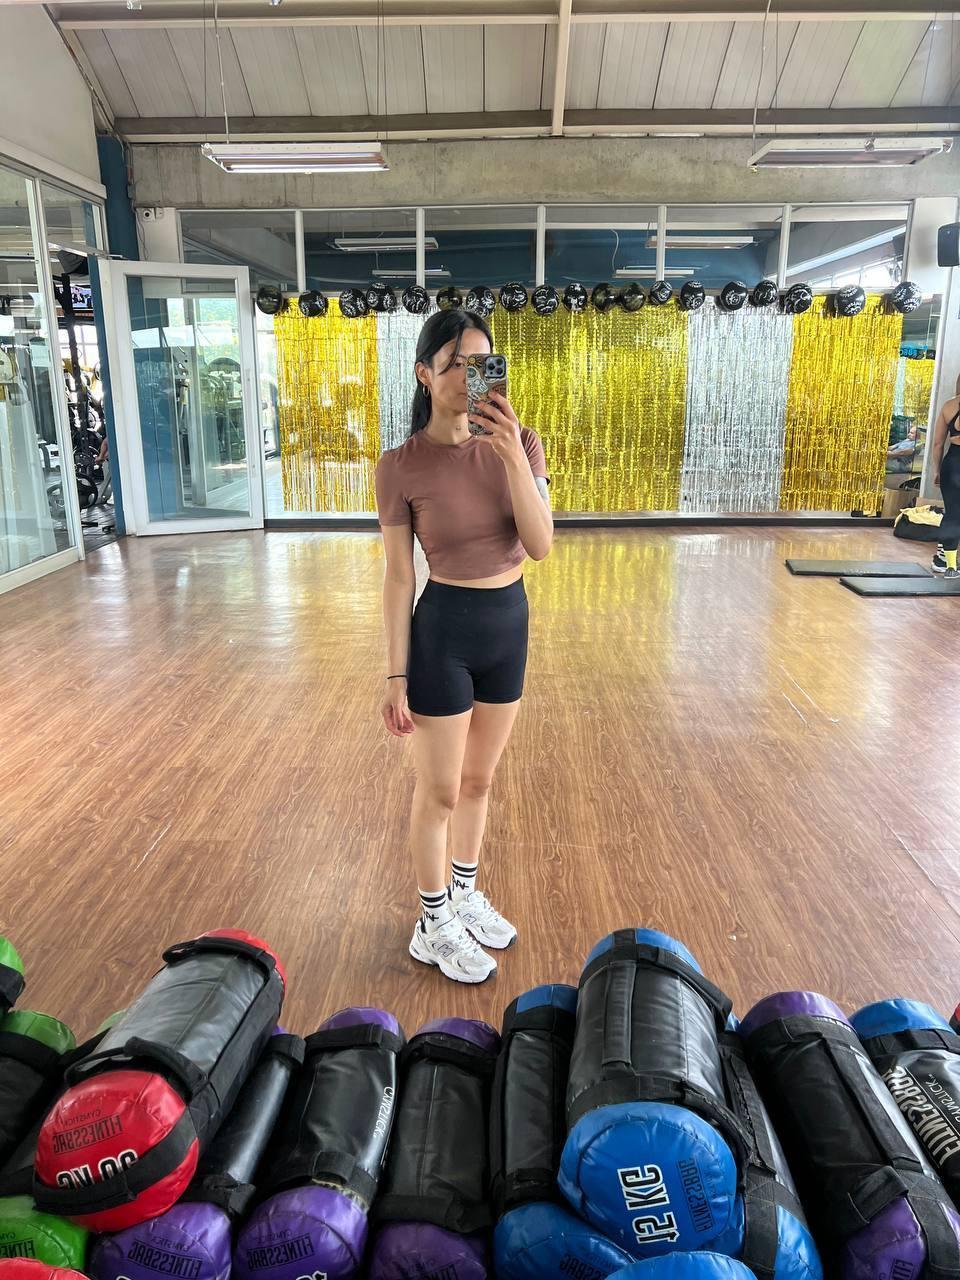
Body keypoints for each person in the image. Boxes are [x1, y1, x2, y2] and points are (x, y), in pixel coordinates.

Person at [374, 309, 554, 984]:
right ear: (424, 374)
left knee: (480, 781)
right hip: (443, 631)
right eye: (453, 365)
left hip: (509, 624)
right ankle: (432, 920)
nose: (467, 377)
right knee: (442, 789)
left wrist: (510, 457)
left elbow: (540, 544)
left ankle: (464, 893)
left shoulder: (522, 442)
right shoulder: (400, 466)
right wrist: (396, 676)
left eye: (480, 364)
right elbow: (399, 577)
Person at [931, 392, 960, 578]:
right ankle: (948, 563)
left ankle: (946, 563)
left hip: (952, 464)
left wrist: (937, 470)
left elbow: (937, 444)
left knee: (953, 513)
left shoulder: (949, 406)